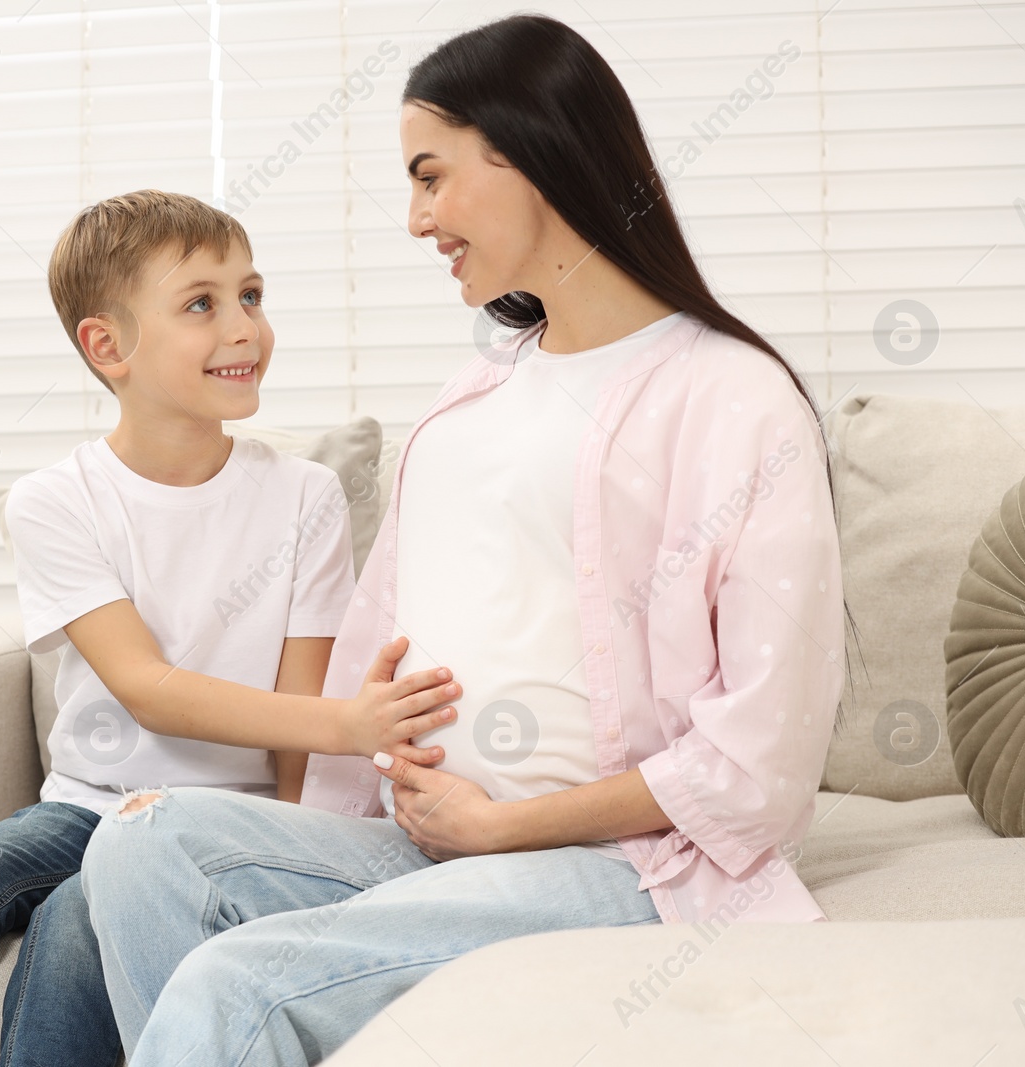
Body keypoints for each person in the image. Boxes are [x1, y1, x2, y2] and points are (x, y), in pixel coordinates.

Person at [78, 16, 861, 1067]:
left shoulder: (728, 395)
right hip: (424, 847)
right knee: (137, 838)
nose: (417, 218)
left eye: (431, 175)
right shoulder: (469, 399)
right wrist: (370, 797)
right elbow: (372, 655)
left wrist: (498, 828)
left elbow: (759, 765)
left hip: (624, 862)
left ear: (529, 151)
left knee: (239, 979)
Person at [0, 189, 460, 1067]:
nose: (245, 326)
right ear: (108, 345)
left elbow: (299, 700)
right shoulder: (56, 501)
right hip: (89, 807)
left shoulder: (306, 497)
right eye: (202, 303)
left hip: (209, 826)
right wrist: (351, 725)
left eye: (252, 294)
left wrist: (284, 842)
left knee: (69, 926)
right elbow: (146, 688)